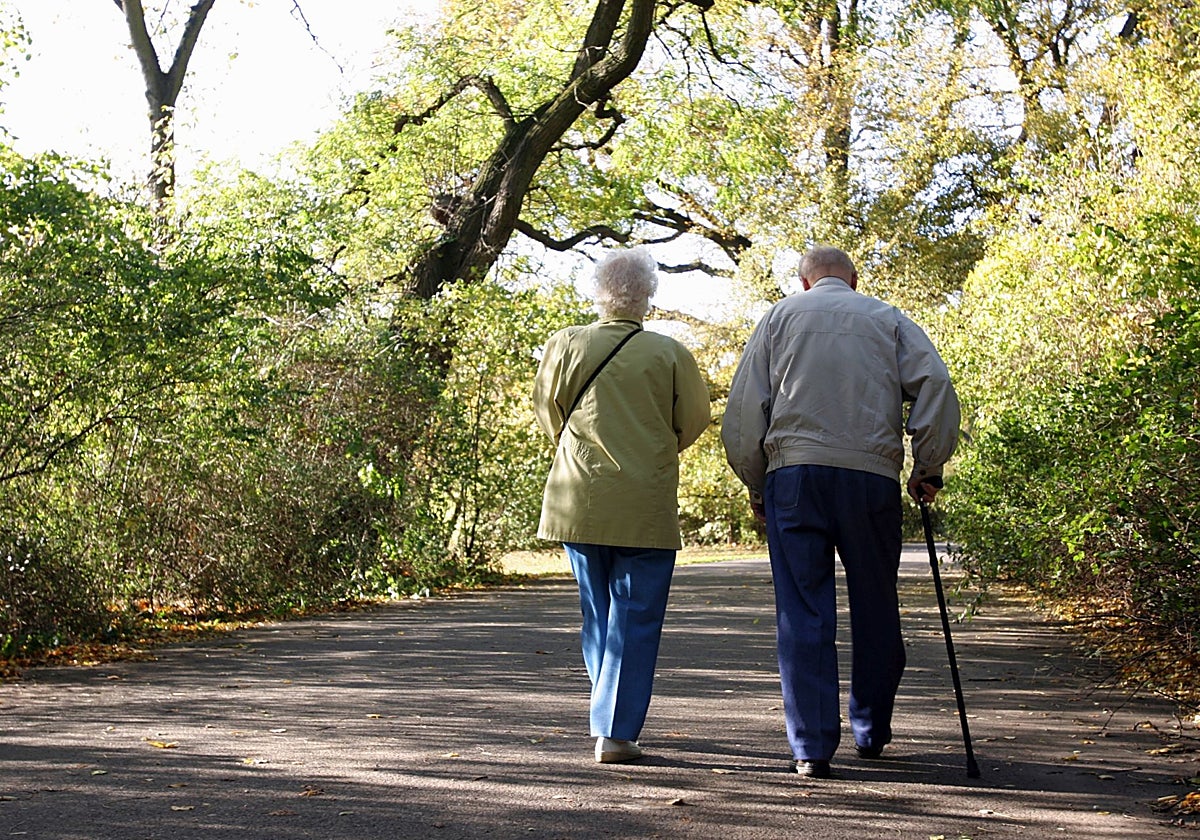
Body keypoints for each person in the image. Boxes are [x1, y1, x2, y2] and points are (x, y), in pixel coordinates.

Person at [720, 244, 960, 779]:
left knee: (802, 611)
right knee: (875, 603)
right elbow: (935, 386)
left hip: (795, 476)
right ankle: (870, 729)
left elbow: (743, 411)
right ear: (853, 280)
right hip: (870, 477)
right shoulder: (887, 317)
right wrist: (928, 465)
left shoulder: (779, 317)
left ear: (804, 282)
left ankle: (811, 746)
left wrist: (757, 483)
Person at [532, 246, 710, 764]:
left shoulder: (565, 343)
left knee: (598, 614)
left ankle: (610, 712)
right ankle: (613, 728)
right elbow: (695, 418)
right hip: (645, 501)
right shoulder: (669, 353)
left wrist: (572, 450)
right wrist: (657, 448)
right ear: (647, 298)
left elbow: (548, 411)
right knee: (635, 616)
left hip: (578, 497)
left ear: (598, 293)